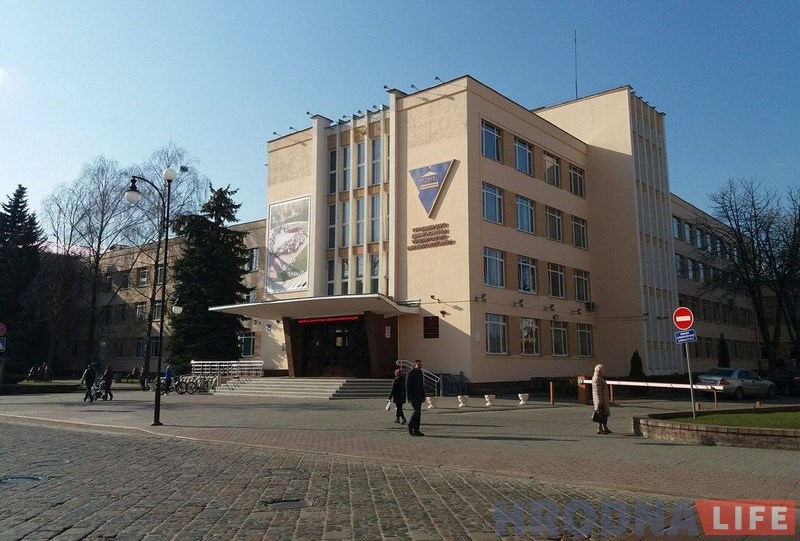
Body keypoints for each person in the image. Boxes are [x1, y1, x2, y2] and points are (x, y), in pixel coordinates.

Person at [405, 359, 426, 436]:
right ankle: (410, 425)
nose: (420, 366)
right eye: (419, 365)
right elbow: (407, 386)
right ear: (414, 365)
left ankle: (416, 430)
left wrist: (423, 396)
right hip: (413, 396)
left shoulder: (420, 373)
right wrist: (408, 397)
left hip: (419, 396)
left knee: (419, 413)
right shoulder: (410, 373)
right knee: (416, 410)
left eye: (421, 365)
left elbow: (421, 386)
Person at [592, 363, 612, 434]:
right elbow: (597, 391)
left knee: (604, 414)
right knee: (600, 414)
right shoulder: (597, 378)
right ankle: (599, 428)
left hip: (603, 399)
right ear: (600, 370)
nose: (604, 371)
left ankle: (605, 427)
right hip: (600, 400)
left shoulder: (600, 378)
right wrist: (599, 401)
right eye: (603, 369)